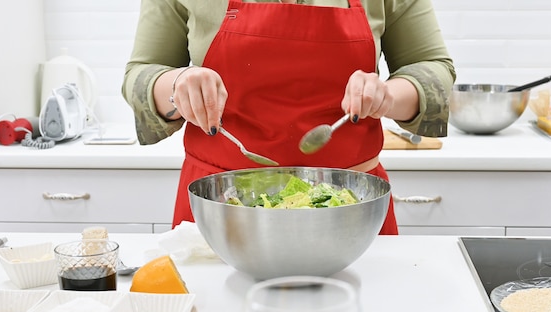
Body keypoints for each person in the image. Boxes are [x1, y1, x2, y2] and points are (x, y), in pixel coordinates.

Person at [122, 0, 456, 235]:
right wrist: (177, 84)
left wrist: (388, 96)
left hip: (349, 212)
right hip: (221, 212)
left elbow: (434, 69)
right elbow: (141, 73)